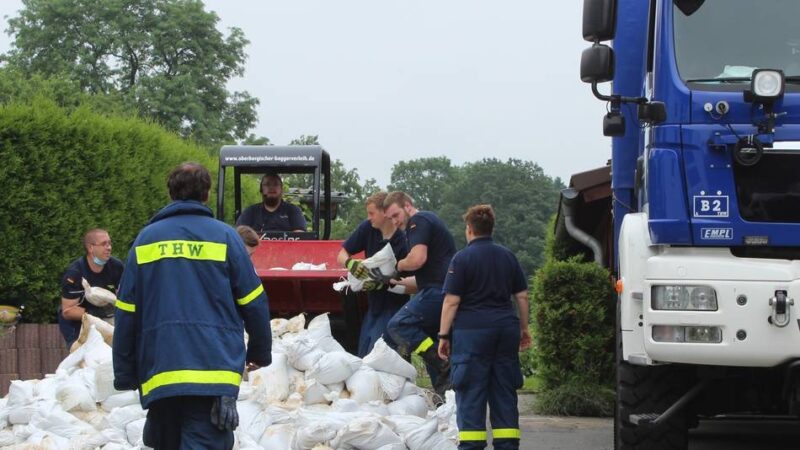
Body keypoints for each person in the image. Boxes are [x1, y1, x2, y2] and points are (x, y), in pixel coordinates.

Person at [113, 162, 272, 450]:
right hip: (212, 374)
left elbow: (126, 311)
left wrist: (125, 372)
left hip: (161, 371)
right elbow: (254, 302)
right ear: (207, 194)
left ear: (171, 193)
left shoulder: (146, 240)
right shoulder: (226, 238)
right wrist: (259, 352)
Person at [438, 205, 531, 450]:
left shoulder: (461, 259)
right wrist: (523, 328)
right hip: (505, 330)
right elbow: (521, 296)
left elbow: (451, 301)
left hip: (472, 334)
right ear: (491, 228)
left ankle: (471, 446)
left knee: (470, 392)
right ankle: (507, 445)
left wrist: (443, 335)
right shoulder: (507, 256)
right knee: (504, 391)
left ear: (469, 230)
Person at [382, 191, 456, 397]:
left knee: (399, 325)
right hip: (440, 290)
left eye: (396, 215)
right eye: (390, 219)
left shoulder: (419, 221)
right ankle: (446, 397)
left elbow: (416, 260)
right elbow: (421, 281)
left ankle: (443, 365)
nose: (395, 222)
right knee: (434, 345)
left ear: (407, 205)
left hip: (438, 293)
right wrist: (391, 282)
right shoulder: (427, 223)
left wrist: (397, 265)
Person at [337, 191, 410, 357]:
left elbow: (413, 285)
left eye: (371, 213)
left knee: (380, 355)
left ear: (385, 212)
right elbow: (341, 254)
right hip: (374, 306)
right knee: (363, 353)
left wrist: (385, 283)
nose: (369, 218)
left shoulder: (403, 240)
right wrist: (351, 263)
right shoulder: (367, 228)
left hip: (394, 308)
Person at [59, 228, 124, 347]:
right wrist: (94, 313)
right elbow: (67, 311)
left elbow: (123, 296)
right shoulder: (74, 273)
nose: (109, 247)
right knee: (84, 357)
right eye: (104, 244)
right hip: (77, 323)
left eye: (110, 243)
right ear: (90, 248)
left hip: (107, 319)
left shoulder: (117, 267)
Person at [235, 173, 306, 234]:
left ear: (282, 189)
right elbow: (239, 235)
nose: (271, 188)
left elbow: (300, 236)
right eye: (267, 184)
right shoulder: (250, 211)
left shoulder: (293, 210)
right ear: (261, 189)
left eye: (275, 184)